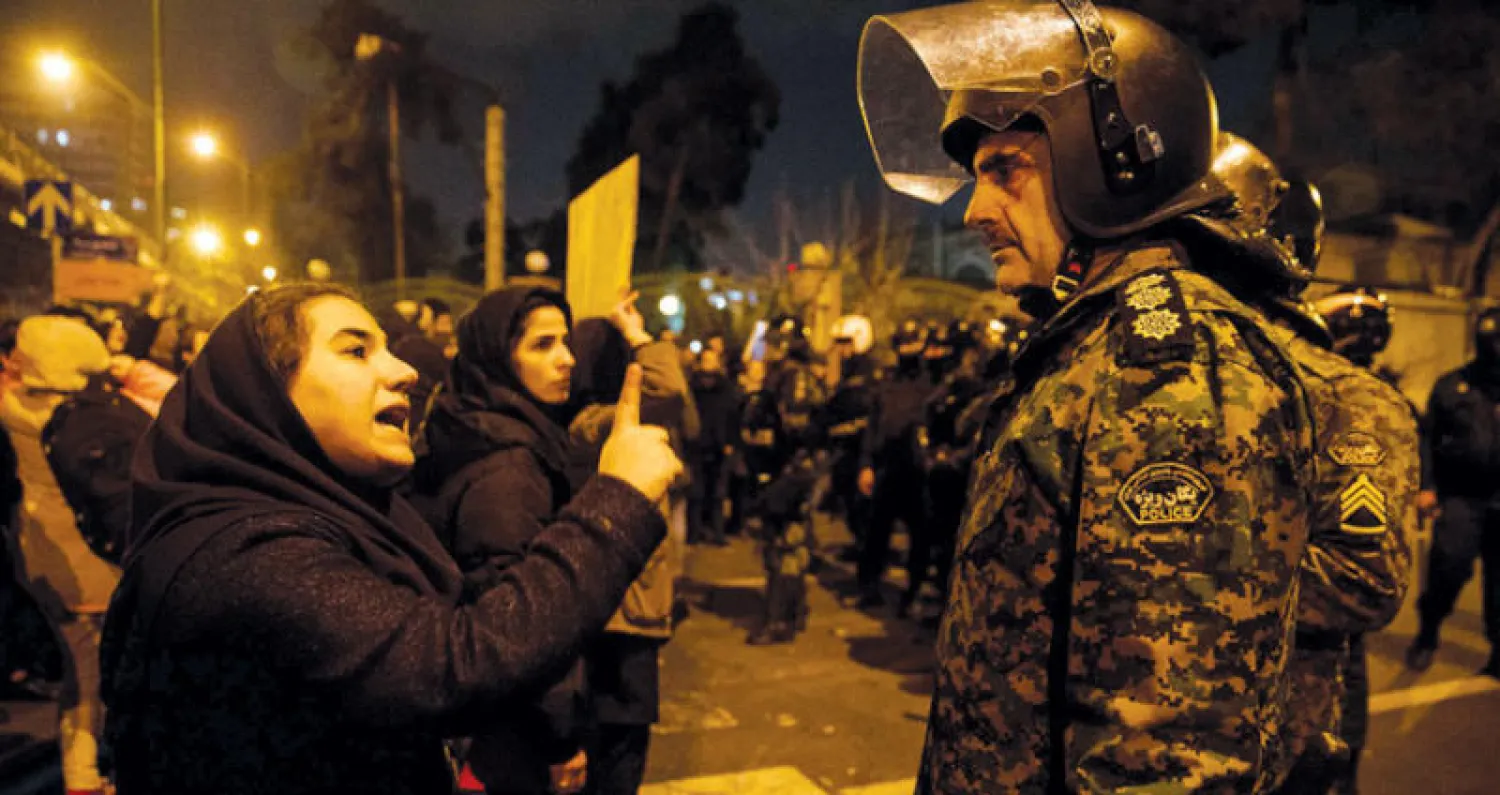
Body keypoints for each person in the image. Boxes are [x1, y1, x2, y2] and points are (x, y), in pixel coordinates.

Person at [858, 2, 1320, 789]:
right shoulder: (1092, 345)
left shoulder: (1173, 373)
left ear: (1112, 159)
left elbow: (1165, 758)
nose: (973, 211)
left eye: (1006, 169)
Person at [99, 283, 682, 795]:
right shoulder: (243, 554)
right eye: (356, 350)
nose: (403, 370)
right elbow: (455, 664)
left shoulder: (329, 513)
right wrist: (617, 500)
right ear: (268, 393)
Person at [1190, 134, 1420, 795]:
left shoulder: (1345, 398)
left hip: (1276, 732)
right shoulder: (1165, 375)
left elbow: (1363, 576)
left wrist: (1179, 566)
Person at [412, 286, 589, 795]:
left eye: (566, 341)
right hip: (508, 733)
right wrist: (558, 737)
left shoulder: (479, 425)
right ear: (497, 358)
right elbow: (523, 618)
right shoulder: (509, 469)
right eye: (543, 345)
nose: (567, 359)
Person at [566, 294, 694, 795]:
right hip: (624, 608)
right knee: (619, 745)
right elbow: (668, 389)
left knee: (606, 739)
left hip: (615, 605)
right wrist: (638, 334)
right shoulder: (598, 422)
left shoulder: (582, 419)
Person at [0, 313, 118, 794]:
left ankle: (85, 769)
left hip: (40, 555)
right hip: (82, 564)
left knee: (82, 668)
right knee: (91, 672)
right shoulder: (73, 421)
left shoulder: (14, 406)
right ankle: (84, 775)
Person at [1407, 305, 1500, 678]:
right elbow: (1426, 439)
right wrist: (1425, 487)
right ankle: (1429, 630)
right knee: (1447, 566)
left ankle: (1498, 652)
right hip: (1462, 496)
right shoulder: (1452, 385)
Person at [855, 317, 929, 609]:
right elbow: (873, 426)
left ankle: (914, 590)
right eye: (903, 344)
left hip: (918, 470)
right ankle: (869, 586)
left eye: (913, 342)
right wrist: (866, 464)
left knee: (920, 535)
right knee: (876, 530)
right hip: (888, 466)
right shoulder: (887, 382)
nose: (908, 349)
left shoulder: (929, 383)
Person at [687, 347, 738, 547]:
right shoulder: (693, 387)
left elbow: (732, 416)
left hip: (719, 446)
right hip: (698, 445)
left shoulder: (726, 388)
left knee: (718, 493)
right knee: (697, 493)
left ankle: (717, 533)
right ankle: (694, 534)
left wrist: (730, 442)